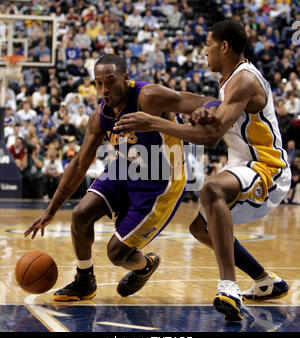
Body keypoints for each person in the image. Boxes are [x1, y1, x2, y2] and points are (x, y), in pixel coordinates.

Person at [114, 20, 291, 321]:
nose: (204, 51)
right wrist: (202, 112)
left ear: (223, 47)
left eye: (208, 43)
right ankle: (265, 281)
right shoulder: (229, 81)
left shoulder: (244, 79)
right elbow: (204, 114)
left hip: (267, 166)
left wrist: (154, 122)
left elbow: (210, 138)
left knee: (211, 188)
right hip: (243, 163)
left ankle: (229, 288)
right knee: (200, 228)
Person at [24, 54, 215, 302]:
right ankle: (84, 281)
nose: (104, 89)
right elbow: (79, 164)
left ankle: (144, 265)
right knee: (80, 215)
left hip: (161, 181)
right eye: (98, 83)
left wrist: (206, 111)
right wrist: (51, 210)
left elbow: (205, 101)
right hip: (125, 169)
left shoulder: (150, 97)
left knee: (116, 254)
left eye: (110, 81)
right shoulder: (100, 116)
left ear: (125, 78)